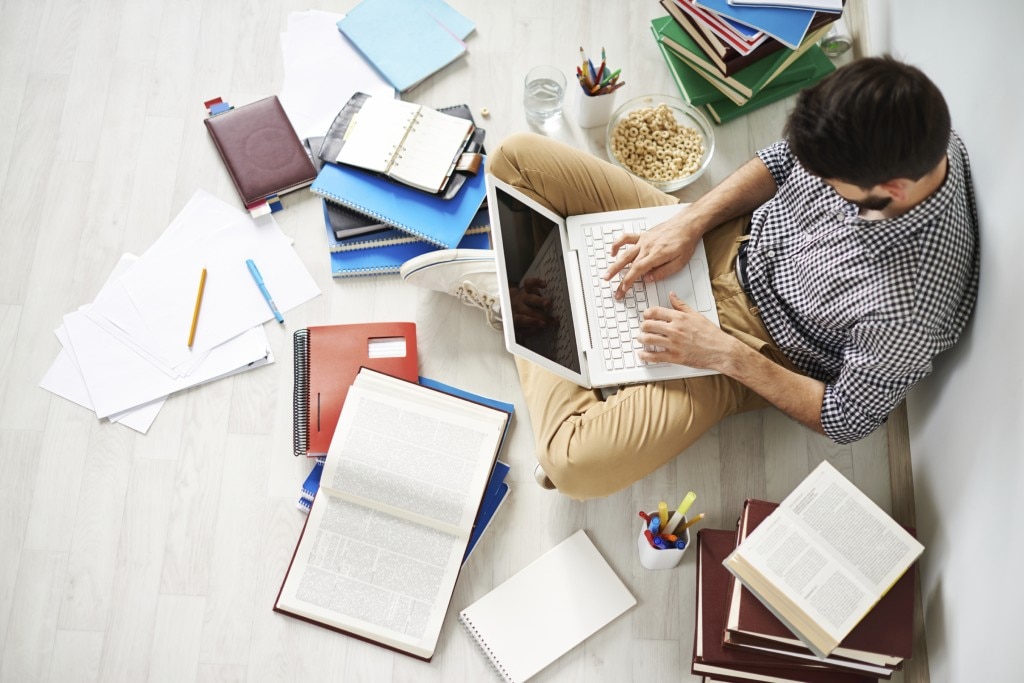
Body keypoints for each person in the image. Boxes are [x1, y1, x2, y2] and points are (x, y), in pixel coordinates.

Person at [401, 56, 980, 500]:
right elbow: (780, 164)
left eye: (829, 184)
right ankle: (561, 317)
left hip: (752, 345)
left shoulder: (910, 305)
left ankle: (522, 302)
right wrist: (689, 220)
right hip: (723, 238)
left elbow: (847, 417)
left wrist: (725, 354)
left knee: (572, 464)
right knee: (514, 158)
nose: (814, 180)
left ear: (893, 192)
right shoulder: (899, 125)